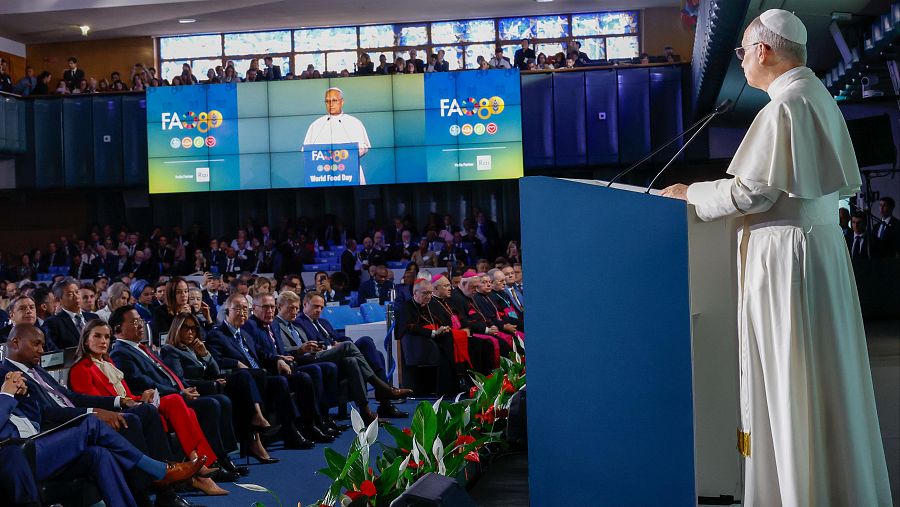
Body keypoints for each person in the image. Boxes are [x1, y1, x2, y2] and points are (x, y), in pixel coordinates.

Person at [660, 10, 892, 505]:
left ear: (764, 51)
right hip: (811, 254)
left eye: (743, 52)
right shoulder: (812, 97)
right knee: (814, 381)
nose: (742, 62)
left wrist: (689, 194)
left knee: (792, 381)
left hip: (788, 262)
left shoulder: (787, 106)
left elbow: (753, 192)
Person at [0, 324, 203, 507]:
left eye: (42, 345)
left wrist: (117, 402)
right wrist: (8, 393)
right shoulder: (5, 374)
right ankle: (159, 472)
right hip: (25, 447)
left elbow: (60, 401)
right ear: (15, 342)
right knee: (96, 423)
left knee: (101, 453)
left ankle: (153, 490)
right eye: (36, 344)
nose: (42, 351)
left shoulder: (35, 370)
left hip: (38, 439)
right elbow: (46, 414)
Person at [67, 320, 230, 494]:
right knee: (178, 405)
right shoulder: (81, 369)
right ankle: (198, 467)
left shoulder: (109, 363)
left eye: (107, 337)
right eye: (97, 336)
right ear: (85, 340)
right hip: (117, 416)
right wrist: (135, 401)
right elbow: (98, 403)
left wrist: (142, 396)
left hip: (134, 407)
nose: (103, 341)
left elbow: (127, 396)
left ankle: (196, 464)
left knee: (176, 401)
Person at [109, 305, 240, 481]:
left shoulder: (140, 347)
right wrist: (179, 391)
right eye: (134, 321)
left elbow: (168, 374)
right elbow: (140, 381)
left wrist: (184, 387)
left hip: (174, 392)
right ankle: (211, 461)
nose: (140, 325)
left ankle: (217, 458)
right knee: (210, 404)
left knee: (220, 399)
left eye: (140, 320)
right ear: (118, 328)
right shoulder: (121, 352)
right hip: (158, 399)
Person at [161, 311, 277, 466]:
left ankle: (255, 424)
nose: (190, 332)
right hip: (197, 390)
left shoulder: (194, 348)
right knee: (225, 399)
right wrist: (211, 383)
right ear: (177, 329)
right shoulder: (171, 350)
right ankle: (229, 453)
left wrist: (206, 354)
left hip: (211, 385)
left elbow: (215, 372)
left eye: (194, 328)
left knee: (245, 377)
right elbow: (179, 380)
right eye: (185, 328)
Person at [205, 293, 314, 452]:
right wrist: (235, 362)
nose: (243, 313)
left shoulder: (244, 334)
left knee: (298, 378)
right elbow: (215, 361)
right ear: (227, 311)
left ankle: (301, 427)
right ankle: (289, 432)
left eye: (245, 309)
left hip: (259, 375)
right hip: (239, 380)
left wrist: (277, 359)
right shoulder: (217, 335)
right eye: (238, 309)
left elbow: (262, 354)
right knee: (280, 382)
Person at [293, 291, 412, 425]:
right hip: (324, 357)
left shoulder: (323, 322)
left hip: (341, 354)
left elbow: (341, 338)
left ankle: (379, 405)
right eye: (315, 306)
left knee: (366, 346)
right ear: (305, 304)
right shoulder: (300, 323)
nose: (319, 310)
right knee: (351, 348)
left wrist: (339, 343)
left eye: (321, 307)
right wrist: (332, 346)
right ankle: (384, 392)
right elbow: (311, 346)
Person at [301, 87, 372, 185]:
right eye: (327, 101)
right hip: (322, 175)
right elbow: (306, 150)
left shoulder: (355, 123)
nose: (330, 104)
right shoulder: (316, 125)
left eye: (334, 100)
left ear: (342, 102)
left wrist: (342, 153)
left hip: (349, 173)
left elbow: (364, 147)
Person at [43, 277, 100, 349]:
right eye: (70, 294)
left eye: (77, 292)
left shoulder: (94, 317)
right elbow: (54, 353)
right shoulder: (53, 323)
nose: (76, 297)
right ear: (59, 299)